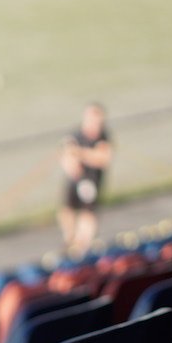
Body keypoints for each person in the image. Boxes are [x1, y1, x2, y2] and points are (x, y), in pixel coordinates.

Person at [57, 103, 113, 256]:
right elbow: (67, 156)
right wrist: (72, 162)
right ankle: (69, 240)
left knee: (88, 214)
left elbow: (103, 158)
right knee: (67, 209)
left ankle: (83, 246)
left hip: (92, 181)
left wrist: (80, 154)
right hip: (75, 180)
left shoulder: (103, 137)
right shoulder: (75, 135)